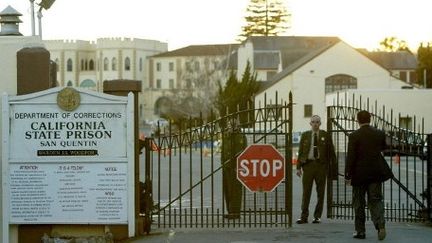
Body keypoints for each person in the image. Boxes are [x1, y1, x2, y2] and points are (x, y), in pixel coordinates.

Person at [345, 110, 393, 240]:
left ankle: (360, 231)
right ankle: (380, 224)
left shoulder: (354, 136)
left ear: (357, 120)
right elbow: (384, 148)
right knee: (376, 200)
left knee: (359, 203)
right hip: (375, 173)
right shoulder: (379, 134)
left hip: (359, 174)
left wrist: (348, 175)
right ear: (370, 119)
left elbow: (351, 157)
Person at [296, 115, 336, 224]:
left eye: (317, 122)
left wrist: (332, 168)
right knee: (306, 192)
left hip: (321, 166)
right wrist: (298, 167)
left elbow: (331, 152)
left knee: (320, 192)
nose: (315, 124)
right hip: (308, 166)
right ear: (310, 123)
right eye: (313, 122)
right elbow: (300, 152)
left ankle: (317, 216)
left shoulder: (325, 135)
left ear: (320, 123)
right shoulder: (305, 135)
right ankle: (304, 216)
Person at [221, 119, 247, 219]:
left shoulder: (240, 136)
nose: (229, 127)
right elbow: (223, 150)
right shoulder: (226, 136)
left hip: (235, 167)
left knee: (235, 190)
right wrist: (222, 163)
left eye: (231, 125)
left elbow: (242, 153)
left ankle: (235, 212)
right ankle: (230, 210)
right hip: (226, 166)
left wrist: (238, 166)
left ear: (236, 126)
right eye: (228, 125)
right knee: (227, 190)